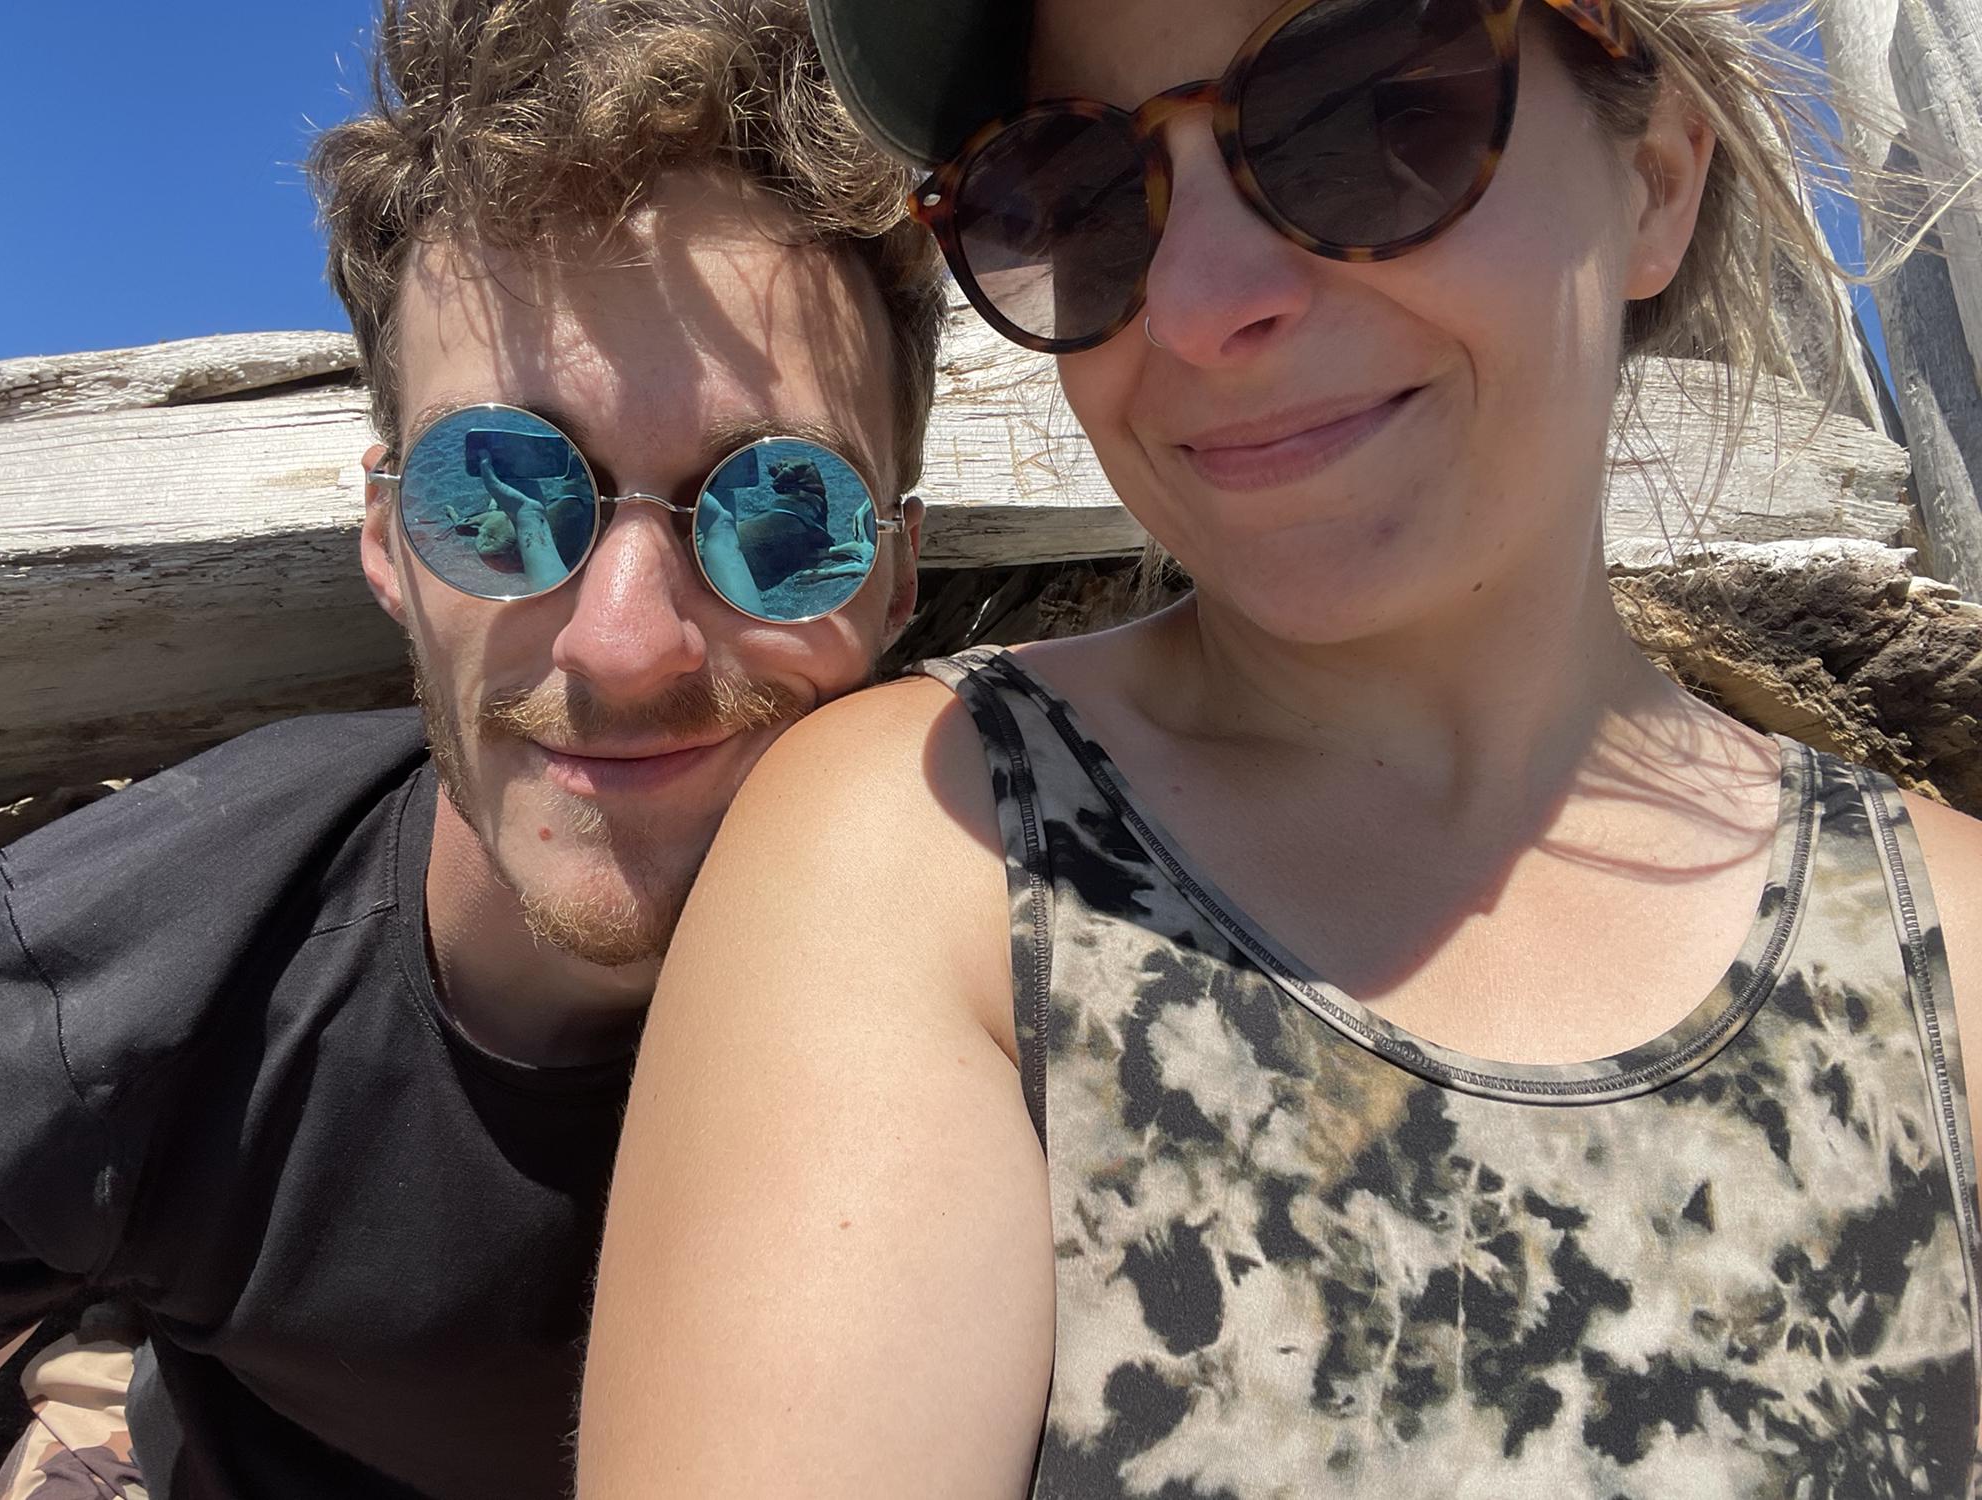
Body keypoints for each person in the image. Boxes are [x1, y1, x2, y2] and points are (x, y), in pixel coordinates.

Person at [578, 0, 1982, 1494]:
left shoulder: (1947, 953)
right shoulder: (942, 859)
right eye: (1081, 194)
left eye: (1362, 110)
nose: (1193, 301)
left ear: (1653, 181)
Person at [0, 0, 942, 1495]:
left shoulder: (1042, 977)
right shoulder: (109, 989)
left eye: (786, 513)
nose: (625, 643)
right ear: (387, 539)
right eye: (501, 492)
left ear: (893, 572)